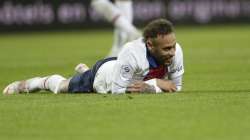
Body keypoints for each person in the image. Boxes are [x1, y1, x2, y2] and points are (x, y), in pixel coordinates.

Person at [3, 19, 184, 95]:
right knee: (62, 86)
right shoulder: (132, 52)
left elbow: (176, 87)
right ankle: (30, 83)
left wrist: (149, 86)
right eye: (167, 49)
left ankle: (84, 70)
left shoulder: (176, 52)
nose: (172, 52)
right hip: (103, 77)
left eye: (173, 46)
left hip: (120, 67)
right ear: (150, 45)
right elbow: (117, 91)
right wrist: (155, 84)